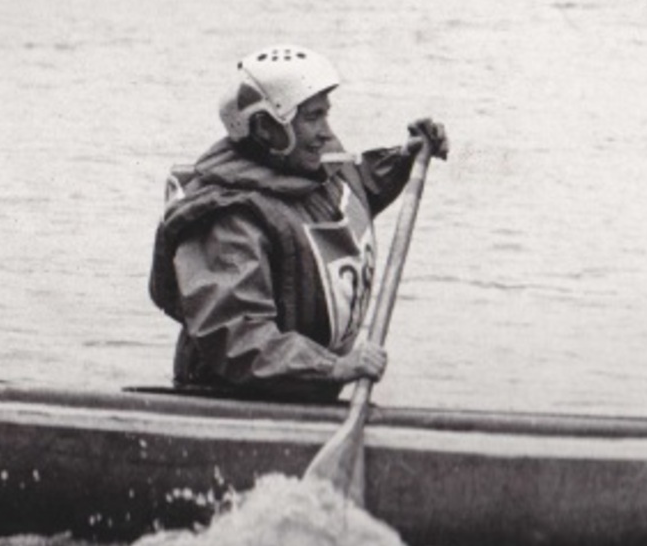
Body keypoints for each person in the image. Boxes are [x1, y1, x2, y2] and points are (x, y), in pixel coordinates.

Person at [149, 45, 449, 403]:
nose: (325, 132)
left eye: (325, 114)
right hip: (233, 400)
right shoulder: (227, 220)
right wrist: (332, 368)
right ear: (266, 128)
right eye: (312, 117)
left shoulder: (310, 164)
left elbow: (352, 194)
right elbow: (237, 336)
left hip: (301, 388)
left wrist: (404, 159)